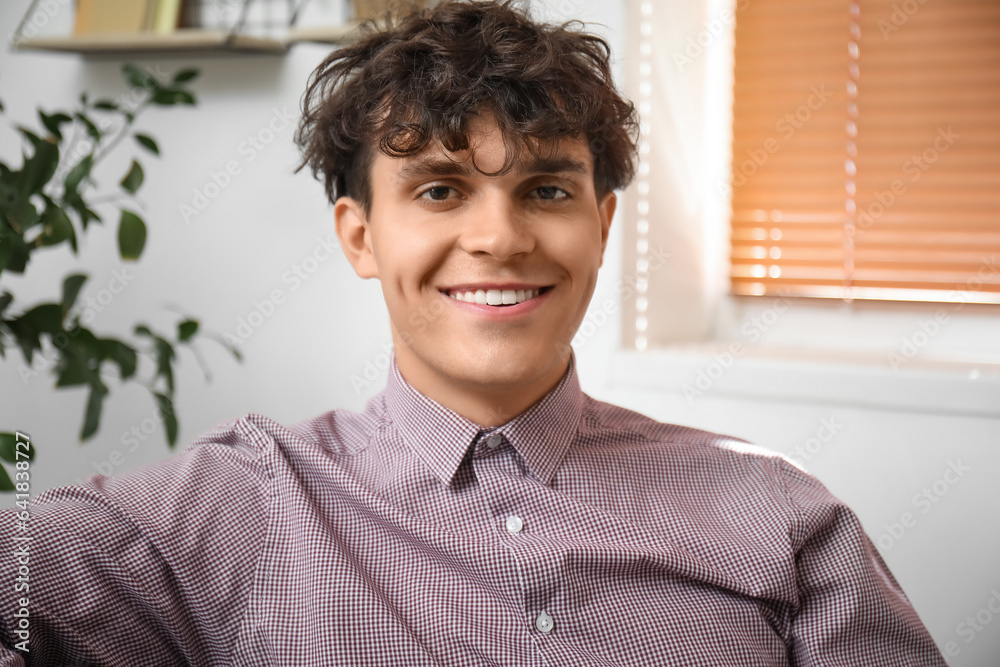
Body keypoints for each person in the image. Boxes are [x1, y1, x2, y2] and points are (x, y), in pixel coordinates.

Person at [1, 1, 947, 665]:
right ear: (361, 236)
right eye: (441, 189)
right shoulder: (223, 511)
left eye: (546, 189)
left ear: (603, 227)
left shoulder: (777, 513)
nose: (498, 237)